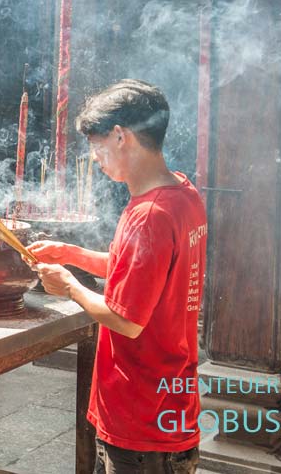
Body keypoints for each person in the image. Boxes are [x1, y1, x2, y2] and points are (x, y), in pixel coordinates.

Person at [30, 79, 207, 474]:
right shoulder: (182, 194)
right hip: (168, 402)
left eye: (96, 145)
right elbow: (136, 271)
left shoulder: (150, 216)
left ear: (120, 136)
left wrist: (69, 287)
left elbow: (126, 320)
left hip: (141, 413)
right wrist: (72, 254)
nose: (94, 158)